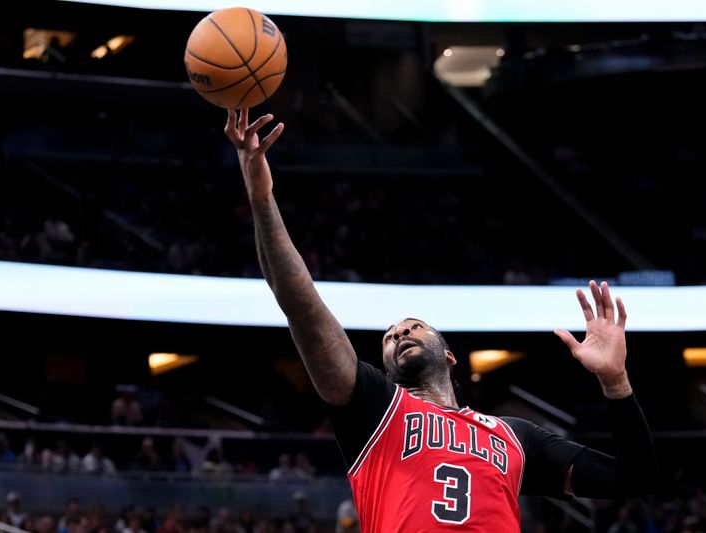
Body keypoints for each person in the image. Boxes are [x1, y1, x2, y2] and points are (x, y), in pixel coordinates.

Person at [224, 110, 657, 531]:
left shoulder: (515, 437)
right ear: (387, 368)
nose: (400, 332)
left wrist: (616, 382)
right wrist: (262, 199)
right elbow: (301, 305)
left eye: (414, 326)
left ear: (449, 355)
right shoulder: (374, 408)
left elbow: (633, 479)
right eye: (391, 336)